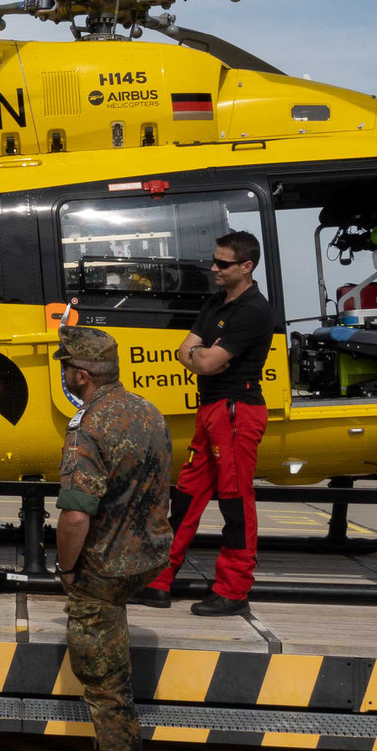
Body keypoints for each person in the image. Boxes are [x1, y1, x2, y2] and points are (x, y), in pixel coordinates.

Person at [53, 325, 172, 751]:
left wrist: (67, 571)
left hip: (102, 570)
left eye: (64, 369)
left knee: (108, 695)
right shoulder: (149, 412)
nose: (63, 377)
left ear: (81, 375)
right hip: (145, 559)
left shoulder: (87, 429)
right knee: (113, 680)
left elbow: (76, 514)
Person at [143, 230, 273, 615]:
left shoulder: (253, 310)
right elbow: (186, 351)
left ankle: (233, 590)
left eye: (222, 263)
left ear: (246, 267)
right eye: (214, 260)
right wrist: (200, 355)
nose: (213, 268)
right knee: (186, 496)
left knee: (235, 501)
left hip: (237, 410)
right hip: (212, 408)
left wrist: (199, 355)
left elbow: (206, 362)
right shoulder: (217, 303)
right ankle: (158, 580)